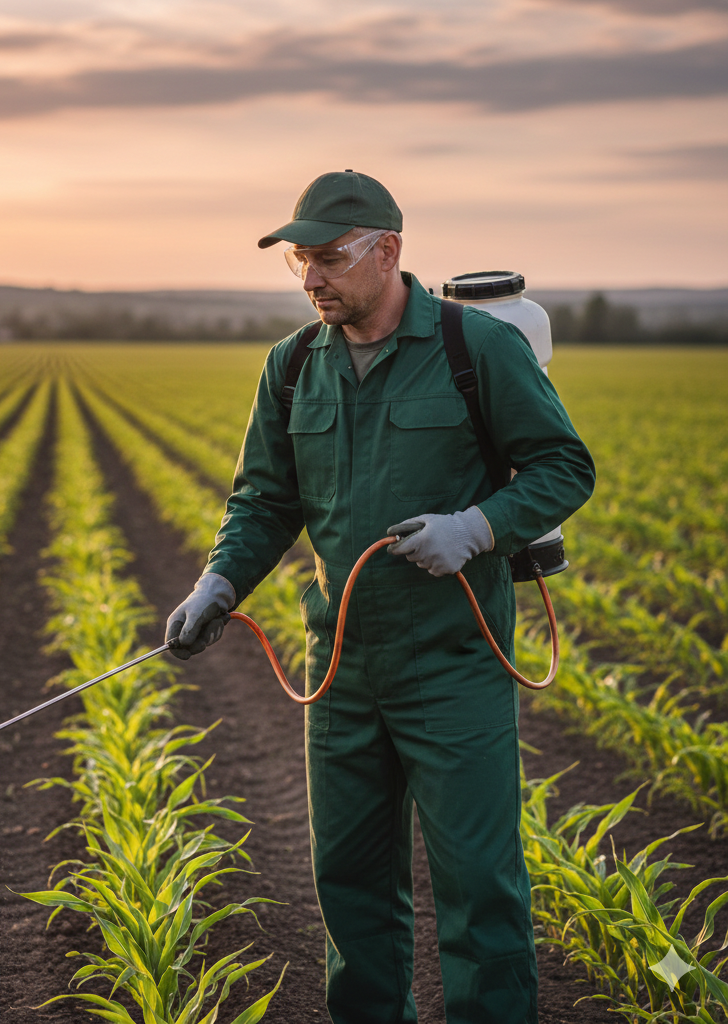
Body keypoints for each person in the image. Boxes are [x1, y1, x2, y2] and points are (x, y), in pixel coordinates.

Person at [165, 169, 595, 1024]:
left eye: (327, 259)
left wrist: (474, 528)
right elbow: (264, 499)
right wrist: (220, 579)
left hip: (455, 666)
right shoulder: (292, 369)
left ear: (388, 251)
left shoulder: (477, 349)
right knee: (352, 890)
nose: (312, 279)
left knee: (480, 889)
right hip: (341, 673)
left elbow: (563, 467)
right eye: (299, 263)